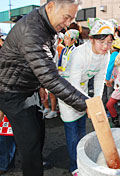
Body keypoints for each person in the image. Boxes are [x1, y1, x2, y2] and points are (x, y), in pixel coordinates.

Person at [0, 0, 89, 176]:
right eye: (66, 17)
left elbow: (43, 64)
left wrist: (39, 85)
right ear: (50, 6)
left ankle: (34, 161)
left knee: (38, 134)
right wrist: (86, 104)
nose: (67, 23)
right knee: (30, 140)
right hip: (12, 91)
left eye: (72, 18)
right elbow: (50, 77)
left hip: (29, 87)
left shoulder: (48, 26)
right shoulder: (31, 31)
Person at [58, 18, 114, 176]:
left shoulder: (106, 54)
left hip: (80, 90)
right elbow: (73, 85)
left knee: (82, 130)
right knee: (72, 132)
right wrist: (89, 105)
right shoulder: (80, 54)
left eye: (109, 42)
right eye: (101, 42)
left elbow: (99, 79)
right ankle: (74, 167)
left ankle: (82, 162)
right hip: (67, 92)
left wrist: (96, 103)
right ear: (91, 39)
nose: (105, 46)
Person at [105, 38, 120, 127]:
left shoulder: (114, 54)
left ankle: (115, 121)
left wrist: (107, 79)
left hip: (119, 85)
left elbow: (110, 67)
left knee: (109, 105)